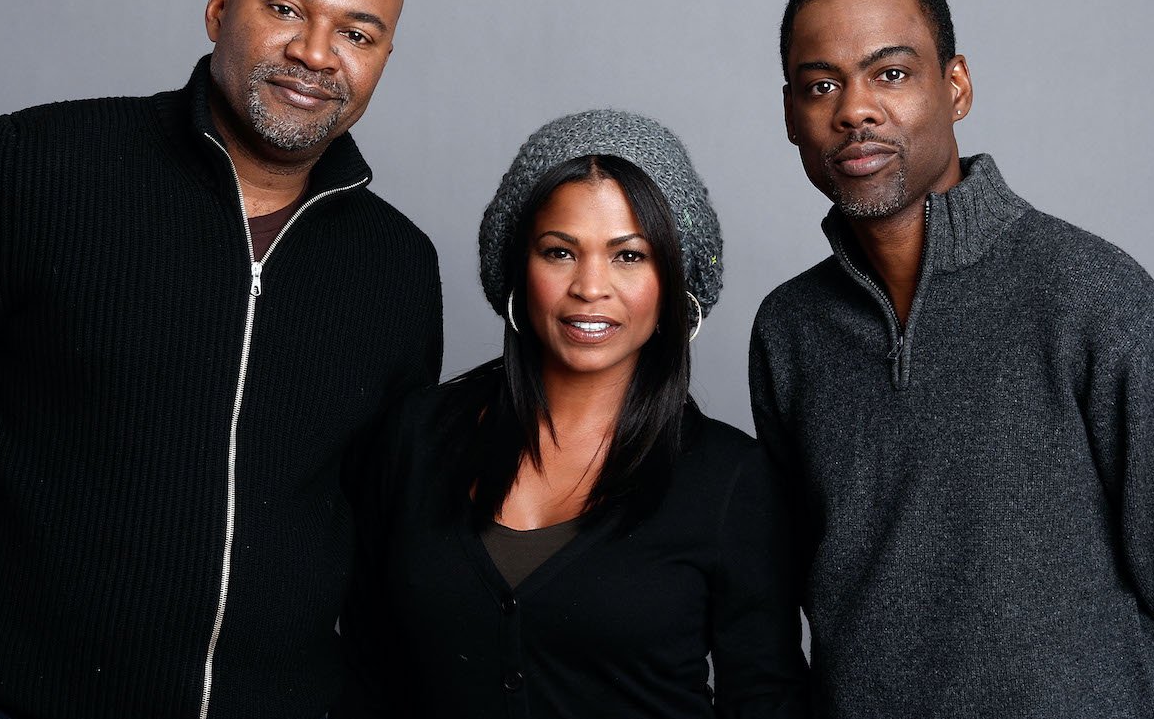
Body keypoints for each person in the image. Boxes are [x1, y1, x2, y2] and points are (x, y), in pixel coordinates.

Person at [0, 0, 441, 719]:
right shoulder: (34, 167)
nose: (315, 53)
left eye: (357, 33)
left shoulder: (397, 266)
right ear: (221, 7)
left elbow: (375, 526)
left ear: (384, 56)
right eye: (285, 8)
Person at [749, 0, 1154, 718]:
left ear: (956, 86)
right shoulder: (790, 329)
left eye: (891, 74)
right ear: (790, 114)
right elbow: (781, 592)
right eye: (821, 85)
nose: (855, 110)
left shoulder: (1091, 294)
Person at [342, 109, 808, 719]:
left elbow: (766, 700)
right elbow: (366, 669)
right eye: (560, 252)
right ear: (518, 269)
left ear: (675, 283)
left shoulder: (730, 481)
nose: (591, 286)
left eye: (630, 256)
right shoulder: (418, 436)